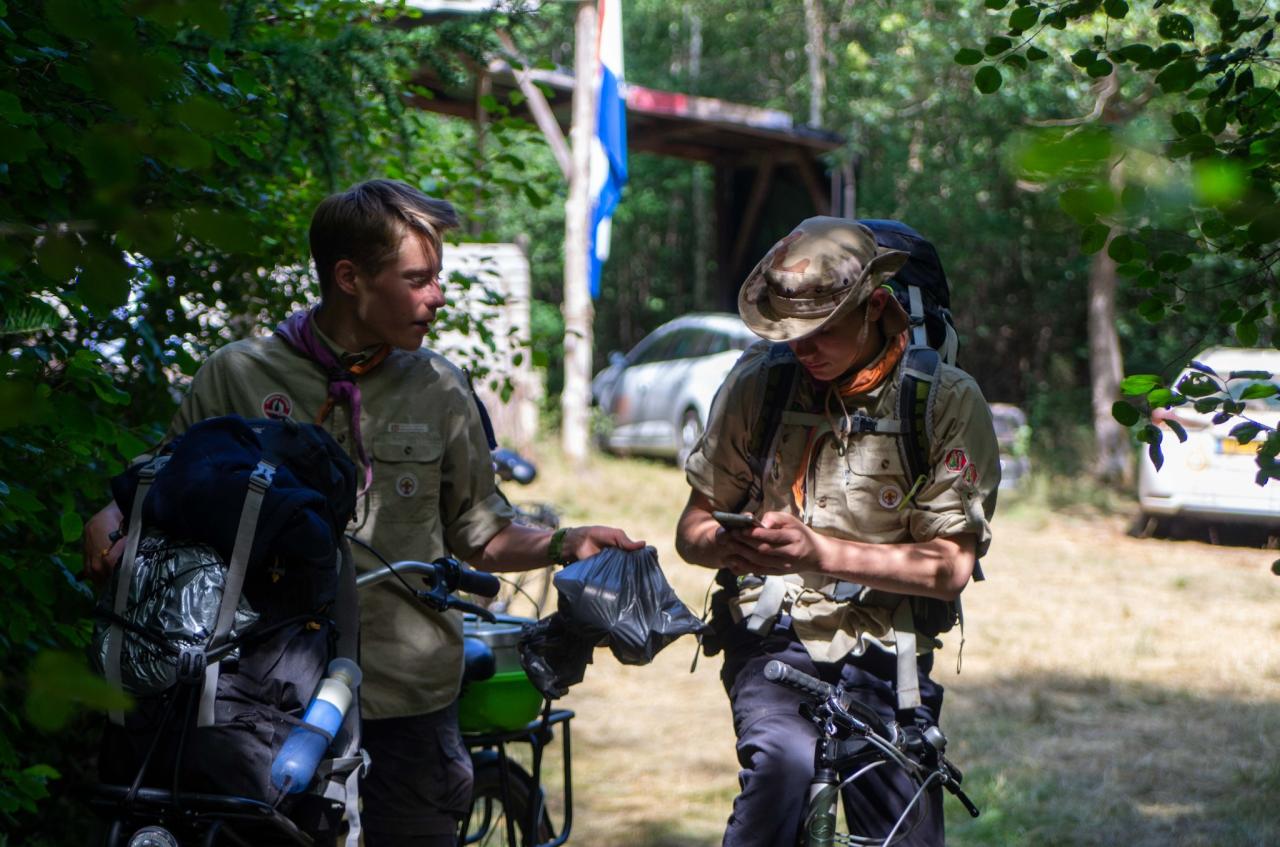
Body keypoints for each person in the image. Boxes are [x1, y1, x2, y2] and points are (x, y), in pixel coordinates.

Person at [83, 178, 644, 847]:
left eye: (437, 277)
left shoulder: (439, 386)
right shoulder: (237, 376)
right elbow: (165, 494)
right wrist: (112, 515)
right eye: (419, 279)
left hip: (405, 701)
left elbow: (481, 531)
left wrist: (565, 542)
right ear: (349, 277)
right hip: (263, 705)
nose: (438, 296)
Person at [675, 217, 999, 846]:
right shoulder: (759, 383)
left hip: (889, 652)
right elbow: (691, 528)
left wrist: (820, 551)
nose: (802, 350)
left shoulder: (944, 402)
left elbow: (948, 568)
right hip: (777, 639)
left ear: (875, 306)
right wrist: (726, 542)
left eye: (820, 332)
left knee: (902, 832)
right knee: (781, 771)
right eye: (789, 334)